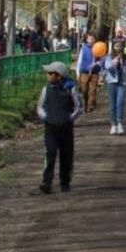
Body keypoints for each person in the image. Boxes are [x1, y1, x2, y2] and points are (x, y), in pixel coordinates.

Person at [36, 61, 83, 194]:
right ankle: (46, 182)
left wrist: (69, 118)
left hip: (65, 127)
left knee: (66, 154)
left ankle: (65, 182)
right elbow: (40, 106)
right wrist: (45, 117)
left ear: (59, 75)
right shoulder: (46, 89)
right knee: (50, 153)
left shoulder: (71, 88)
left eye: (51, 73)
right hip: (50, 127)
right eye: (48, 73)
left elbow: (79, 107)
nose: (48, 75)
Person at [102, 43, 126, 135]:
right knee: (112, 104)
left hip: (121, 82)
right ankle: (113, 124)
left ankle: (119, 123)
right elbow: (109, 67)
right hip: (112, 82)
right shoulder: (108, 57)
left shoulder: (125, 57)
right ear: (113, 47)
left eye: (120, 46)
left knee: (120, 102)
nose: (118, 48)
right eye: (116, 46)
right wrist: (116, 60)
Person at [74, 32, 98, 113]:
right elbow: (80, 61)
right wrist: (77, 72)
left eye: (92, 39)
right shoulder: (83, 48)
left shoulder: (98, 48)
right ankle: (85, 105)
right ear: (87, 40)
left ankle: (90, 107)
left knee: (93, 90)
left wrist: (101, 73)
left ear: (94, 40)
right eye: (89, 39)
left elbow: (101, 61)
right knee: (84, 90)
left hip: (94, 72)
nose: (91, 40)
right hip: (84, 72)